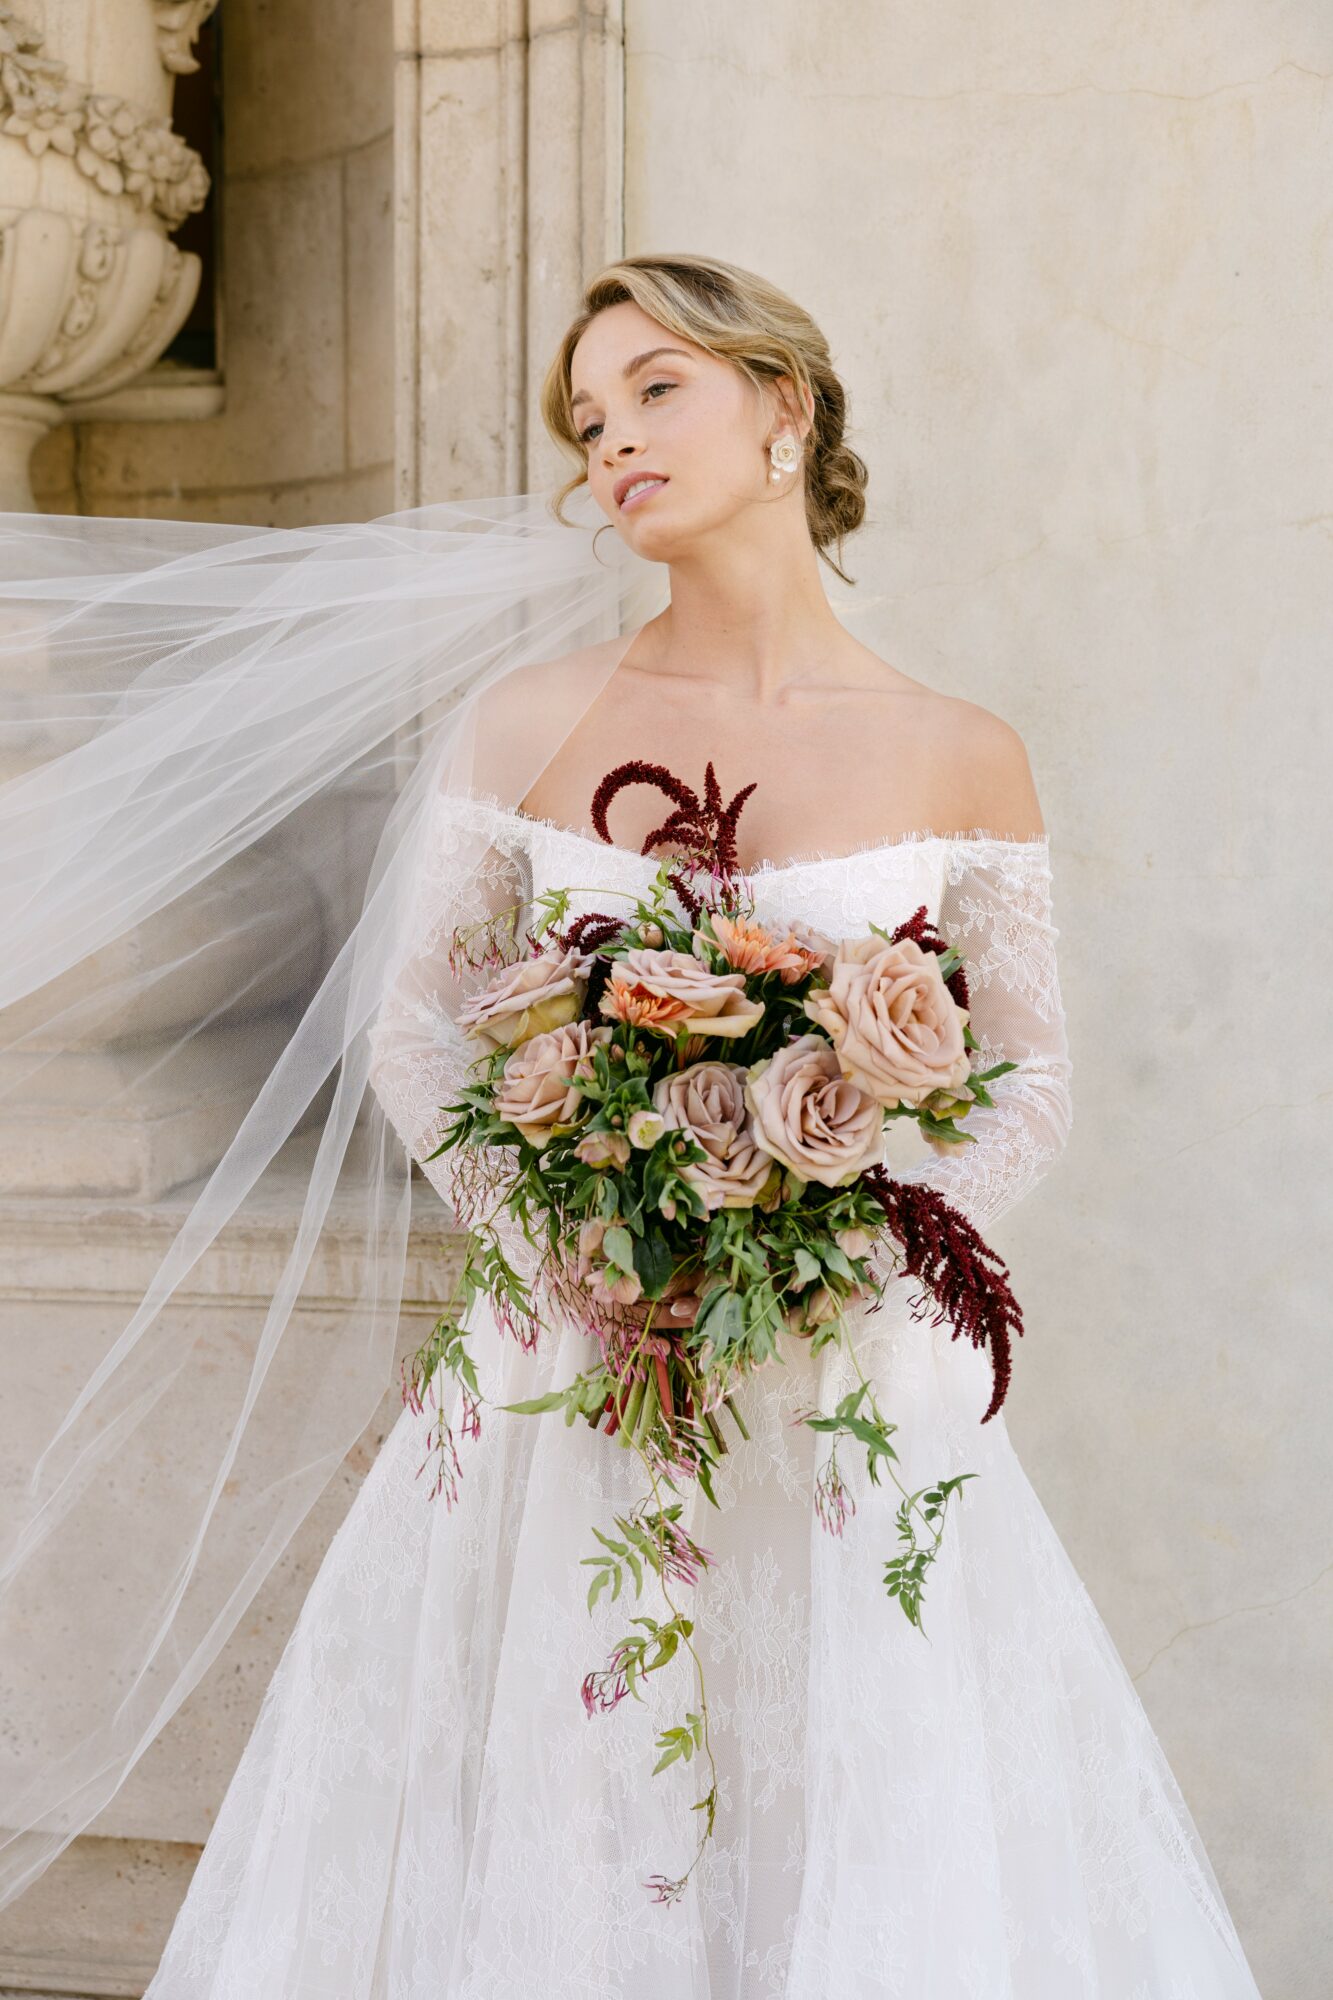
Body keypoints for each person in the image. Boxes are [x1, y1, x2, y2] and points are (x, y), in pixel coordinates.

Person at [0, 253, 1264, 1996]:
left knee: (844, 1780)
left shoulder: (963, 750)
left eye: (655, 389)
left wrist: (839, 1241)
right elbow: (417, 1033)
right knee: (574, 1792)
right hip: (566, 1370)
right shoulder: (530, 723)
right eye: (588, 421)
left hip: (845, 1379)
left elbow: (1028, 1076)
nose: (612, 444)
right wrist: (580, 1236)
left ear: (783, 409)